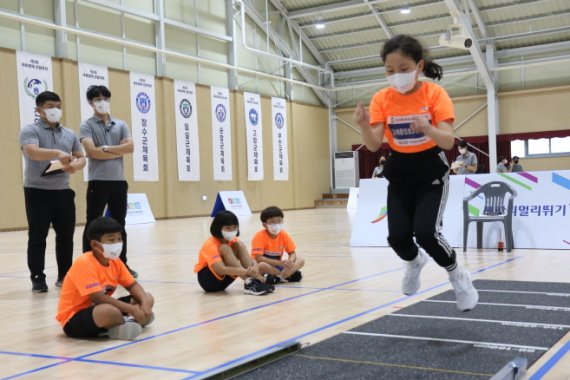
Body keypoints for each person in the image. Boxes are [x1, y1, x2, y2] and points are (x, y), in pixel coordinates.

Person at [353, 34, 478, 312]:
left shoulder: (435, 94)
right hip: (400, 171)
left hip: (430, 170)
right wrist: (363, 125)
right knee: (397, 237)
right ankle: (413, 261)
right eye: (389, 70)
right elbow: (374, 144)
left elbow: (447, 141)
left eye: (404, 69)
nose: (396, 75)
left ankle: (458, 276)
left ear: (419, 66)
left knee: (426, 233)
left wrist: (428, 129)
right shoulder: (382, 98)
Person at [19, 91, 86, 293]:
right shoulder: (30, 130)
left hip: (62, 191)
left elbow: (80, 157)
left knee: (66, 235)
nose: (55, 109)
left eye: (57, 105)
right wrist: (57, 153)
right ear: (39, 110)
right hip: (37, 191)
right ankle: (38, 277)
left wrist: (76, 165)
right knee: (38, 236)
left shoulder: (69, 133)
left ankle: (65, 274)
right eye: (49, 106)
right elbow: (31, 151)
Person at [56, 217, 154, 341]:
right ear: (95, 244)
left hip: (99, 308)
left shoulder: (115, 262)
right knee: (109, 311)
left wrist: (144, 305)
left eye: (119, 239)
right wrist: (132, 309)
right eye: (111, 240)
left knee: (147, 297)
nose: (117, 244)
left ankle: (128, 322)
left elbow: (133, 285)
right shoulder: (84, 262)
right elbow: (98, 298)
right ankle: (130, 321)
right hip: (74, 319)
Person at [79, 85, 137, 278]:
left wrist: (103, 149)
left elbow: (130, 148)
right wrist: (114, 149)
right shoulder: (87, 125)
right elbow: (91, 152)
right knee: (92, 223)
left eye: (105, 98)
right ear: (91, 102)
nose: (101, 101)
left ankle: (122, 264)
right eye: (97, 99)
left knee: (120, 224)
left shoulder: (120, 124)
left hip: (118, 182)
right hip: (98, 181)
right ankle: (89, 264)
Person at [194, 210, 274, 295]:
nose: (232, 230)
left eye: (235, 227)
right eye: (228, 228)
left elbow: (251, 259)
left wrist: (254, 268)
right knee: (225, 248)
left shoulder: (234, 241)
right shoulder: (210, 244)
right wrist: (247, 271)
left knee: (239, 244)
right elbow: (220, 269)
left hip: (225, 281)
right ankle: (249, 281)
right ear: (218, 227)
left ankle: (253, 282)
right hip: (209, 281)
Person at [251, 206, 305, 284]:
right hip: (265, 266)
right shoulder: (259, 236)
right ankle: (288, 275)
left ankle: (279, 277)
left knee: (301, 260)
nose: (276, 224)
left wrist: (290, 261)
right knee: (262, 265)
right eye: (272, 222)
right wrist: (279, 263)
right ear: (264, 225)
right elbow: (258, 258)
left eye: (279, 221)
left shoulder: (283, 234)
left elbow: (292, 253)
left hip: (278, 267)